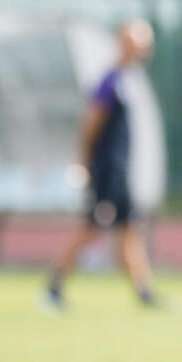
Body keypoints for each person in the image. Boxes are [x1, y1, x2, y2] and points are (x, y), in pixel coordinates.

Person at [41, 20, 160, 312]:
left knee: (130, 230)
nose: (145, 48)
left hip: (121, 171)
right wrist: (83, 161)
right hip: (107, 170)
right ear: (124, 42)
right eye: (139, 41)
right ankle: (53, 287)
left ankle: (145, 294)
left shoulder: (130, 81)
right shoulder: (111, 81)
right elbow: (91, 122)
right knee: (93, 229)